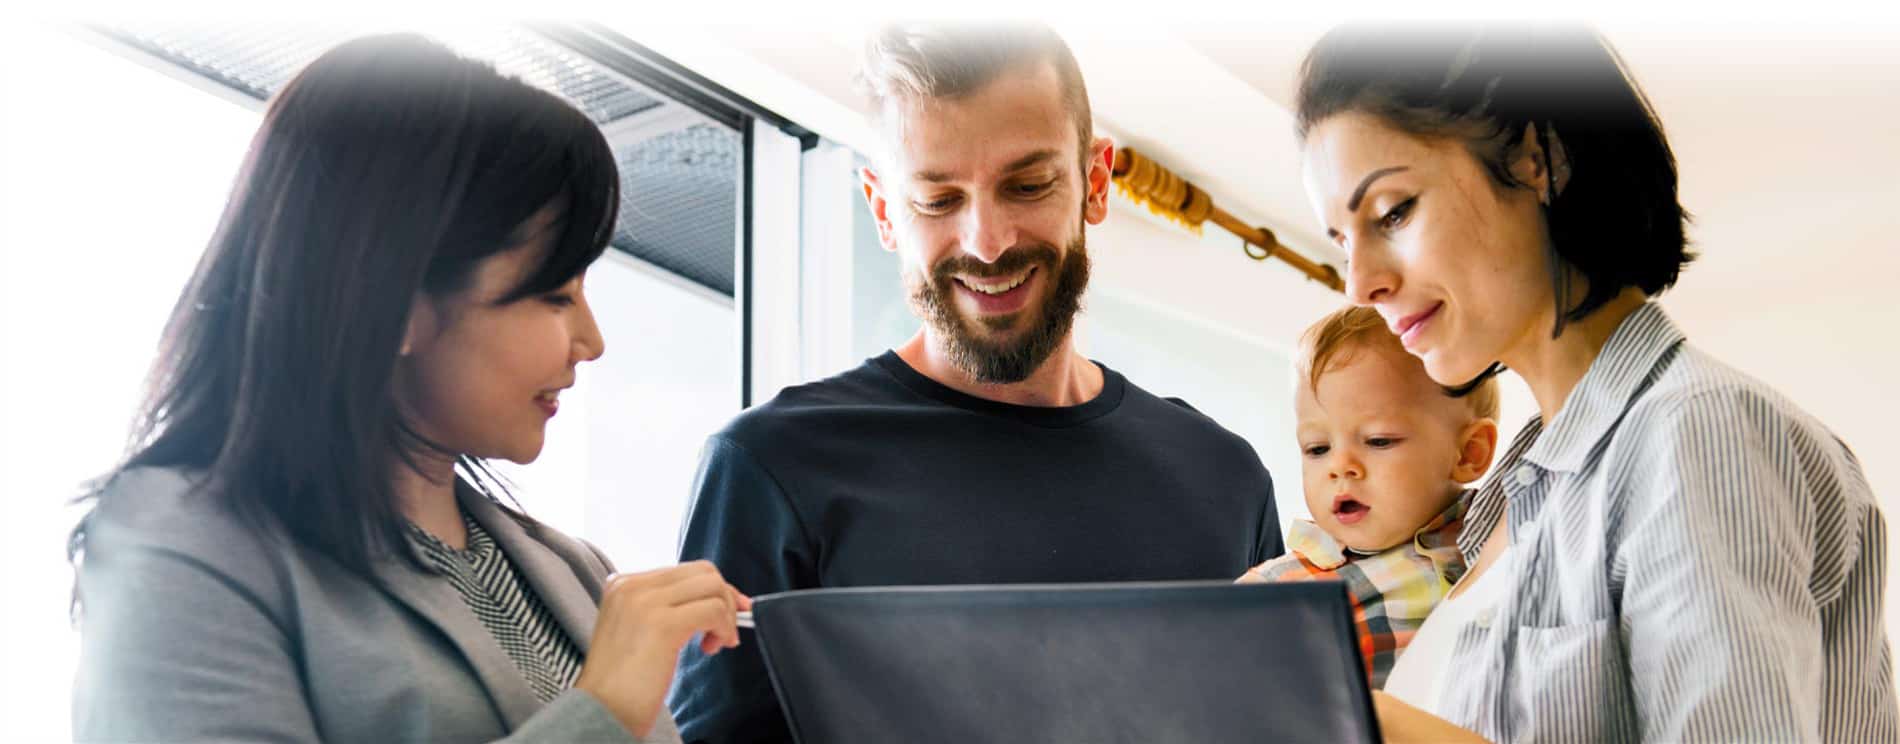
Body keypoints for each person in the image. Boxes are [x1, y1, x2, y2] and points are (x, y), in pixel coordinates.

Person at [69, 35, 746, 743]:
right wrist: (601, 712)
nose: (592, 342)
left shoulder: (573, 572)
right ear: (392, 301)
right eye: (554, 295)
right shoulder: (182, 544)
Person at [668, 21, 1282, 743]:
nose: (987, 243)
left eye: (1027, 185)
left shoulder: (1225, 477)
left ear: (1094, 181)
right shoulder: (770, 469)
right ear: (883, 209)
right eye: (937, 199)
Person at [1294, 23, 1897, 742]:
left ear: (1537, 159)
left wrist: (1359, 715)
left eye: (1392, 211)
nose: (1360, 283)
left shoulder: (1696, 431)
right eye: (1341, 241)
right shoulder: (1511, 502)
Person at [1238, 305, 1498, 689]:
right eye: (1317, 448)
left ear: (1468, 454)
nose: (1340, 467)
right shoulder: (1274, 591)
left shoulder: (1510, 536)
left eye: (1378, 440)